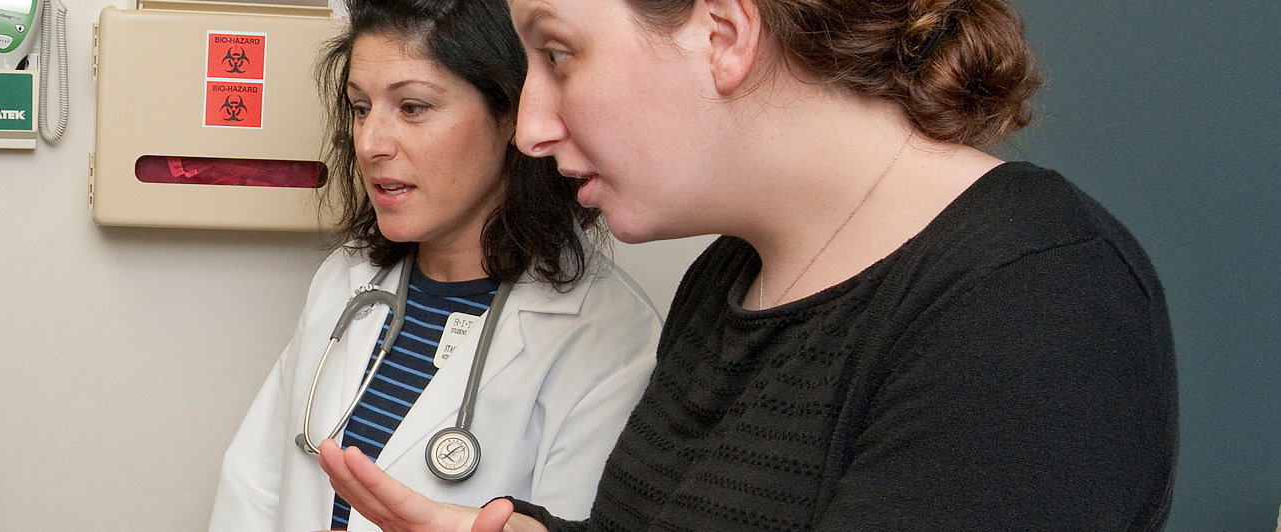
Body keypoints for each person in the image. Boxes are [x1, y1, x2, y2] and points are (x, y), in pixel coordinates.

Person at [316, 0, 1177, 530]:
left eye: (560, 53)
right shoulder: (729, 278)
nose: (532, 127)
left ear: (723, 33)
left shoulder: (1033, 303)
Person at [205, 0, 663, 530]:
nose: (371, 143)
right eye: (360, 108)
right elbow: (253, 489)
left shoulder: (611, 339)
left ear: (511, 112)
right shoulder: (345, 280)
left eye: (413, 108)